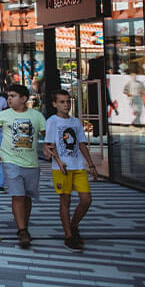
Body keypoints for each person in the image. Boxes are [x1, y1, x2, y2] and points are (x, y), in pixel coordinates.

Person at [0, 84, 46, 249]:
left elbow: (47, 135)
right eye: (8, 96)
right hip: (10, 161)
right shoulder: (4, 115)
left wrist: (48, 147)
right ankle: (22, 230)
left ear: (24, 99)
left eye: (13, 96)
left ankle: (24, 225)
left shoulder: (37, 116)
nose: (9, 99)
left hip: (31, 163)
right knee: (18, 195)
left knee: (27, 197)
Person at [44, 89, 98, 252]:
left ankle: (74, 225)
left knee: (86, 199)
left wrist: (91, 165)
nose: (66, 105)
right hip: (62, 168)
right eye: (62, 102)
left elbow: (81, 144)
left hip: (78, 166)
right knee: (65, 200)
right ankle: (68, 235)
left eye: (68, 101)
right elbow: (50, 145)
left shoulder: (75, 122)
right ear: (55, 104)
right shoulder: (52, 121)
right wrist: (58, 161)